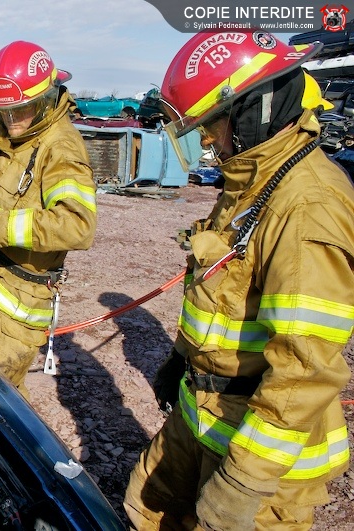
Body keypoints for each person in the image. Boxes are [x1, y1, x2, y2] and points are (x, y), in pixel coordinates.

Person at [124, 29, 354, 531]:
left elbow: (304, 368)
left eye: (213, 124)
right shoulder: (251, 181)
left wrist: (243, 483)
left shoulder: (307, 206)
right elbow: (221, 297)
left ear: (256, 109)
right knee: (146, 507)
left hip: (259, 448)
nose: (207, 141)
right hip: (202, 409)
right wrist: (180, 358)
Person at [0, 41, 97, 396]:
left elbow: (77, 225)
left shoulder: (61, 148)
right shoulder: (5, 115)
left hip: (19, 301)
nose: (12, 124)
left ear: (46, 99)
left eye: (21, 111)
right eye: (4, 113)